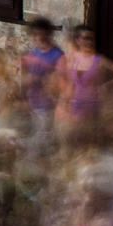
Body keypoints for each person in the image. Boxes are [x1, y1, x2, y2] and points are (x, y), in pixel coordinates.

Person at [56, 25, 113, 149]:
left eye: (91, 39)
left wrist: (107, 84)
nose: (89, 42)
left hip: (93, 103)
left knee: (90, 137)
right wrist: (66, 99)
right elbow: (71, 81)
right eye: (85, 38)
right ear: (78, 40)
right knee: (76, 137)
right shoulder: (74, 58)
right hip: (77, 102)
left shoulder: (99, 60)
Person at [22, 18, 64, 154]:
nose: (37, 37)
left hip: (48, 102)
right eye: (35, 34)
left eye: (40, 33)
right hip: (33, 100)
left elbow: (59, 79)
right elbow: (25, 75)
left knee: (44, 138)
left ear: (47, 34)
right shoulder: (33, 54)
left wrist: (40, 79)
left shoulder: (57, 55)